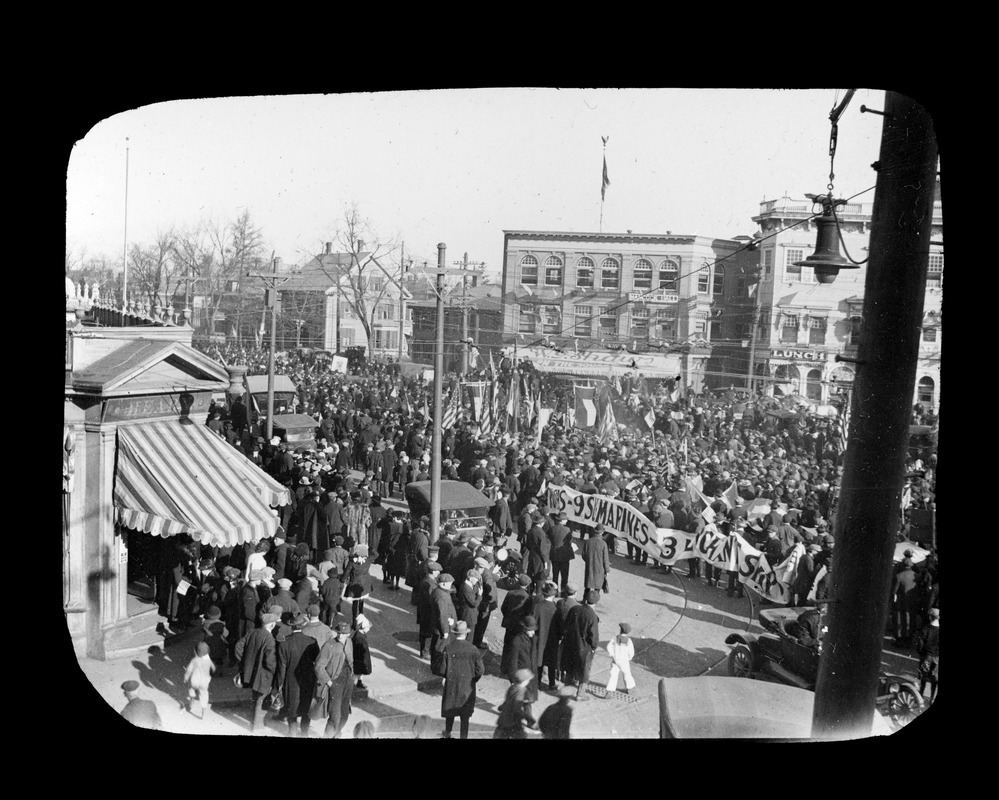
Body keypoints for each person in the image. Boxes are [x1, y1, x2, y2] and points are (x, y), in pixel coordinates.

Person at [275, 611, 319, 737]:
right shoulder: (312, 641)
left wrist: (279, 685)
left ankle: (292, 733)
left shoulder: (284, 643)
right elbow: (318, 662)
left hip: (291, 681)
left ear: (291, 626)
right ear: (303, 625)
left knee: (292, 709)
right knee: (306, 709)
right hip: (308, 680)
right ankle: (305, 733)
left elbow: (281, 668)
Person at [235, 610, 280, 732]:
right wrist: (276, 672)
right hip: (264, 675)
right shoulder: (269, 638)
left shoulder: (252, 632)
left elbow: (238, 647)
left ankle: (255, 723)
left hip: (251, 674)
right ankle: (258, 728)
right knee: (262, 700)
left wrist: (244, 663)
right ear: (271, 625)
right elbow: (270, 661)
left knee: (256, 698)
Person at [440, 620, 485, 739]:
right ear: (466, 634)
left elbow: (442, 669)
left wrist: (446, 677)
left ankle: (447, 733)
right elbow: (480, 670)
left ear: (455, 634)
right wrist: (473, 680)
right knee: (465, 717)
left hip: (452, 686)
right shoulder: (473, 649)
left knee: (450, 711)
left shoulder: (448, 648)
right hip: (467, 687)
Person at [313, 622, 355, 739]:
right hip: (336, 682)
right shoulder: (329, 645)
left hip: (348, 680)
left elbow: (351, 661)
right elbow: (318, 666)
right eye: (339, 633)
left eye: (344, 634)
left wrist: (352, 676)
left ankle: (336, 734)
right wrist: (329, 682)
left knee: (345, 714)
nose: (341, 636)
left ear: (349, 634)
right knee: (335, 716)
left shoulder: (349, 642)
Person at [563, 589, 600, 701]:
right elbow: (594, 636)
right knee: (585, 669)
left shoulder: (575, 608)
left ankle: (568, 683)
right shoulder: (592, 615)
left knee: (571, 662)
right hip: (584, 646)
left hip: (571, 641)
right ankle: (580, 693)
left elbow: (566, 624)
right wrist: (593, 647)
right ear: (596, 602)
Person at [494, 668, 539, 739]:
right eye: (528, 680)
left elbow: (508, 701)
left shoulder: (512, 687)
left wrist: (503, 707)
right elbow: (516, 709)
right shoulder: (520, 691)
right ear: (524, 681)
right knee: (522, 736)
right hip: (513, 722)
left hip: (503, 720)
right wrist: (529, 718)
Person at [183, 641, 216, 719]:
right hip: (204, 682)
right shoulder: (208, 660)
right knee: (204, 695)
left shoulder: (194, 660)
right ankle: (203, 713)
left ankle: (191, 703)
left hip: (195, 680)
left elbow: (189, 670)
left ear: (196, 652)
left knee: (191, 690)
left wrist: (186, 677)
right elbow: (213, 668)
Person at [914, 607, 940, 701]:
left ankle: (920, 695)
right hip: (936, 658)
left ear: (930, 617)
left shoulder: (925, 629)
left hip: (926, 657)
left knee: (923, 678)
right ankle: (932, 698)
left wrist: (921, 653)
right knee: (935, 679)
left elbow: (920, 644)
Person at [605, 622, 637, 695]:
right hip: (624, 660)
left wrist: (612, 654)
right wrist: (629, 658)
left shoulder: (615, 638)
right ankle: (630, 688)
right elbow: (631, 652)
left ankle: (609, 692)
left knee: (613, 675)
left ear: (620, 630)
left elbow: (609, 647)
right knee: (627, 674)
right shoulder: (628, 640)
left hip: (615, 660)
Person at [548, 511, 575, 592]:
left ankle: (554, 591)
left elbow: (550, 539)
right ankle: (563, 591)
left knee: (555, 574)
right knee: (564, 575)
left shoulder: (552, 528)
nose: (566, 521)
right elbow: (570, 541)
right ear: (562, 520)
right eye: (565, 519)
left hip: (554, 555)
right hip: (564, 556)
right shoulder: (567, 529)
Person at [582, 525, 610, 597]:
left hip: (590, 566)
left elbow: (583, 555)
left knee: (588, 584)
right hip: (600, 568)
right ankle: (594, 600)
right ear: (602, 532)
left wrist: (589, 561)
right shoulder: (603, 544)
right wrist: (607, 570)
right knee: (597, 586)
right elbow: (605, 559)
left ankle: (585, 599)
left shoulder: (588, 541)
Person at [352, 614, 373, 690]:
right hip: (360, 658)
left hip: (360, 658)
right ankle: (353, 685)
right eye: (368, 627)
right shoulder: (360, 637)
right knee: (357, 673)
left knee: (359, 672)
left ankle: (358, 682)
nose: (368, 629)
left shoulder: (360, 634)